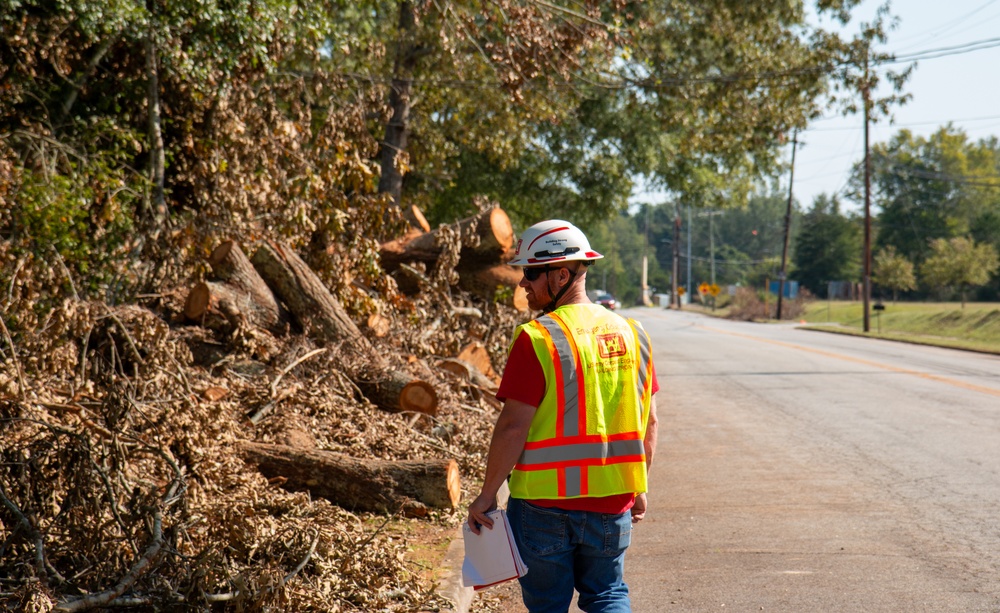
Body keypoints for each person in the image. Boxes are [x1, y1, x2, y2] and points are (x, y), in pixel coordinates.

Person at [467, 219, 659, 613]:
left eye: (530, 274)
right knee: (607, 596)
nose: (523, 283)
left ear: (561, 274)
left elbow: (513, 425)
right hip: (612, 502)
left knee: (548, 605)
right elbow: (649, 421)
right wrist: (639, 485)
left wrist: (487, 497)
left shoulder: (537, 338)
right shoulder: (633, 333)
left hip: (543, 507)